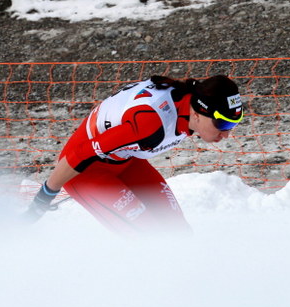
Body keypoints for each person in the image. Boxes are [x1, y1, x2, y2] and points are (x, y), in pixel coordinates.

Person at [22, 74, 244, 236]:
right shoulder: (150, 123)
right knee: (147, 237)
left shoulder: (191, 101)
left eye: (234, 123)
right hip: (85, 171)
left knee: (179, 233)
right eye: (222, 123)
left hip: (125, 161)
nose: (226, 134)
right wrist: (44, 197)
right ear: (197, 113)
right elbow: (80, 154)